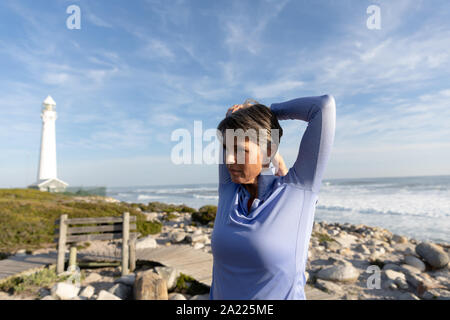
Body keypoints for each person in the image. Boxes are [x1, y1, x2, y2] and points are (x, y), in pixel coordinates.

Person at [210, 94, 336, 299]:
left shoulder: (297, 190)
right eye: (226, 149)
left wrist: (265, 112)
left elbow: (323, 107)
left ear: (268, 151)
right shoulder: (229, 191)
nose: (229, 159)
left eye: (240, 150)